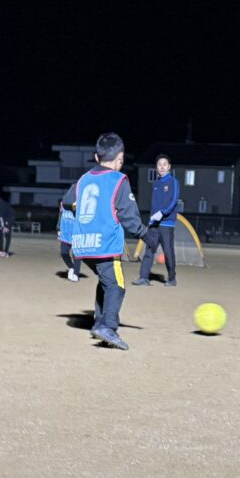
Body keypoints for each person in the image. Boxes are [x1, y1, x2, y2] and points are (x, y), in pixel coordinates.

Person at [62, 132, 147, 350]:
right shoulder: (119, 180)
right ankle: (107, 326)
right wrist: (145, 233)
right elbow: (129, 216)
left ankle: (100, 322)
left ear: (96, 157)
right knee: (116, 285)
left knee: (105, 281)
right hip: (105, 246)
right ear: (120, 159)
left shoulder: (83, 179)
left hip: (82, 246)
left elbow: (68, 201)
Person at [132, 154, 180, 286]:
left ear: (169, 167)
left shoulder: (173, 182)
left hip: (166, 223)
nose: (162, 167)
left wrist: (163, 213)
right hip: (154, 224)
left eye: (165, 164)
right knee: (149, 250)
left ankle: (171, 278)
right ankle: (143, 277)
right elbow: (154, 205)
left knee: (168, 252)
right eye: (159, 164)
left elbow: (173, 201)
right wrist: (151, 220)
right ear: (156, 168)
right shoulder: (156, 184)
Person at [58, 203, 81, 281]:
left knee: (76, 255)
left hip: (76, 232)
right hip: (65, 232)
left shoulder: (80, 201)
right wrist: (58, 228)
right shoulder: (64, 202)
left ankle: (76, 274)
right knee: (63, 252)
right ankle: (71, 267)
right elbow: (61, 215)